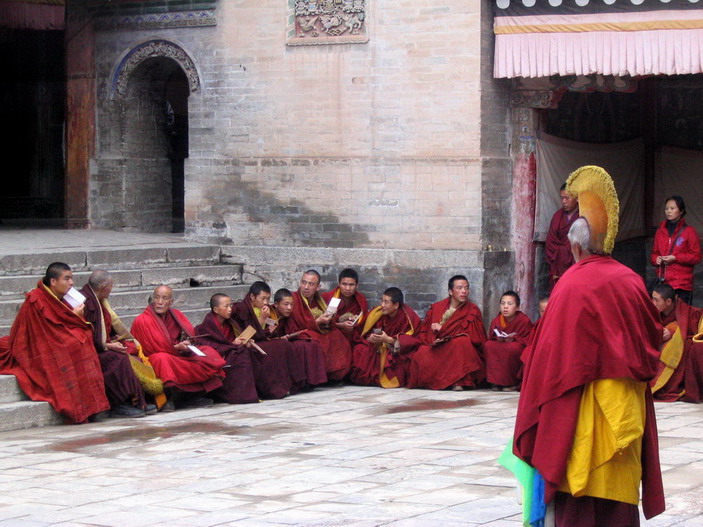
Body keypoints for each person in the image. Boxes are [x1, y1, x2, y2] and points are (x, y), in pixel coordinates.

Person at [507, 166, 664, 526]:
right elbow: (651, 341)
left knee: (578, 493)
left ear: (575, 245)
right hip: (622, 406)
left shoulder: (571, 284)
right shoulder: (631, 281)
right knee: (617, 499)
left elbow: (546, 353)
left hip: (577, 408)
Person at [0, 262, 109, 423]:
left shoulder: (62, 298)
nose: (71, 283)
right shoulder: (35, 300)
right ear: (53, 282)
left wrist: (75, 317)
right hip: (37, 344)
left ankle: (93, 406)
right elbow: (40, 333)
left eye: (71, 278)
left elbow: (65, 325)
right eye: (67, 278)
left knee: (82, 342)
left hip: (55, 338)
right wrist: (74, 315)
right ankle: (78, 407)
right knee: (71, 348)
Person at [130, 285, 226, 410]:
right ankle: (168, 398)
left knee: (208, 353)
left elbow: (190, 334)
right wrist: (176, 347)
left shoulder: (176, 315)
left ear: (171, 302)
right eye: (157, 297)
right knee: (161, 359)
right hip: (156, 357)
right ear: (152, 299)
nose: (160, 302)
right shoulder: (142, 320)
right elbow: (152, 348)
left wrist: (187, 343)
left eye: (164, 298)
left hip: (180, 354)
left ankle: (190, 396)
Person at [80, 270, 158, 417]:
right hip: (90, 351)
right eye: (110, 285)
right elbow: (85, 333)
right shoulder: (87, 302)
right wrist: (108, 345)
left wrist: (114, 340)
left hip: (101, 345)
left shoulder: (96, 299)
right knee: (119, 359)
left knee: (130, 350)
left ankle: (137, 401)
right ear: (104, 287)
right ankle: (119, 404)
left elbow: (102, 330)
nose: (111, 289)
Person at [399, 275, 486, 391]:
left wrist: (443, 330)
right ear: (450, 291)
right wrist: (433, 340)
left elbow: (475, 336)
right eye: (459, 288)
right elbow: (425, 332)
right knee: (422, 352)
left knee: (462, 342)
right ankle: (434, 381)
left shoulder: (472, 310)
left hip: (455, 345)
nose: (464, 291)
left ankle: (459, 381)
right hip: (438, 345)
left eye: (466, 288)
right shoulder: (437, 308)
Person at [231, 281, 306, 397]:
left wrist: (269, 331)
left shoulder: (264, 309)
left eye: (268, 299)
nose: (266, 302)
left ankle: (289, 385)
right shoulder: (240, 309)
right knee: (275, 349)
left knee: (283, 345)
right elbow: (244, 336)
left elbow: (262, 334)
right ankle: (271, 390)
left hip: (261, 341)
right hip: (247, 345)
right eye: (263, 298)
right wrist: (261, 319)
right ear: (252, 296)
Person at [288, 270, 353, 381]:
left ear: (318, 287)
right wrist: (317, 321)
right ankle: (320, 376)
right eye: (304, 282)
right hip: (301, 331)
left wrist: (331, 318)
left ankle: (335, 376)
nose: (306, 287)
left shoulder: (318, 300)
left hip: (319, 329)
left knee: (338, 337)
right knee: (318, 340)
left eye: (311, 284)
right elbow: (297, 324)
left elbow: (330, 324)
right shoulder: (294, 299)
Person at [194, 294, 259, 404]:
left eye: (231, 305)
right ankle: (239, 395)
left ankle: (250, 392)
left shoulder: (230, 323)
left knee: (247, 352)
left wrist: (244, 342)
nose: (230, 309)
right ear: (215, 309)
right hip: (218, 358)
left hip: (231, 352)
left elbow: (233, 341)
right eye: (226, 306)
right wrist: (232, 344)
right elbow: (208, 346)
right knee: (241, 354)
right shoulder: (206, 326)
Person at [349, 287, 421, 388]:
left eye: (386, 302)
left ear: (396, 305)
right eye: (382, 301)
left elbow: (414, 340)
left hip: (395, 351)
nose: (382, 305)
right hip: (377, 347)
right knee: (360, 349)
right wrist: (370, 338)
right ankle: (368, 378)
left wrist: (389, 340)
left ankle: (381, 378)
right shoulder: (377, 313)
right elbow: (362, 332)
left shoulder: (408, 317)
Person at [650, 283, 703, 402]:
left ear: (668, 302)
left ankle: (660, 385)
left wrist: (671, 330)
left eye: (656, 300)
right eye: (652, 298)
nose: (652, 302)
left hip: (683, 342)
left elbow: (685, 327)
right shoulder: (654, 310)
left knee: (676, 345)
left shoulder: (686, 312)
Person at [270, 288, 327, 387]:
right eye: (286, 304)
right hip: (273, 343)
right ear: (276, 304)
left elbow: (295, 328)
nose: (289, 308)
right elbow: (265, 333)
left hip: (286, 339)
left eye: (292, 305)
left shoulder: (290, 315)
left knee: (311, 344)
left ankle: (309, 382)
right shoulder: (269, 315)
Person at [650, 195, 701, 305]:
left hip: (682, 284)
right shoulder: (660, 231)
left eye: (672, 208)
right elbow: (654, 253)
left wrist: (676, 258)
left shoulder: (689, 232)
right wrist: (656, 259)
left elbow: (696, 257)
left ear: (681, 211)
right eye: (666, 208)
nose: (668, 211)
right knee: (663, 318)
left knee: (681, 318)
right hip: (663, 283)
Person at [483, 290, 533, 392]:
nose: (505, 307)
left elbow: (529, 339)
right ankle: (495, 382)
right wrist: (498, 338)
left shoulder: (524, 320)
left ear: (517, 307)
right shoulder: (497, 320)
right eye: (503, 303)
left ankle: (512, 383)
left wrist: (514, 338)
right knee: (489, 345)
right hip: (501, 343)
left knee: (514, 348)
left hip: (516, 346)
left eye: (510, 304)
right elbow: (491, 336)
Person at [545, 183, 579, 289]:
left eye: (567, 198)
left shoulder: (583, 216)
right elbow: (550, 243)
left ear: (577, 198)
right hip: (558, 265)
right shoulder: (557, 216)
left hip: (575, 265)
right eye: (562, 198)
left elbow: (585, 243)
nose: (564, 201)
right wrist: (562, 252)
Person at [321, 268, 368, 345]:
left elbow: (363, 323)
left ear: (357, 286)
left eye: (351, 285)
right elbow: (322, 324)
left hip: (352, 335)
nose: (347, 288)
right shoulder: (328, 297)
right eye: (344, 284)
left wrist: (354, 321)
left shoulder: (360, 299)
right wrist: (341, 325)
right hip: (332, 334)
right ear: (339, 284)